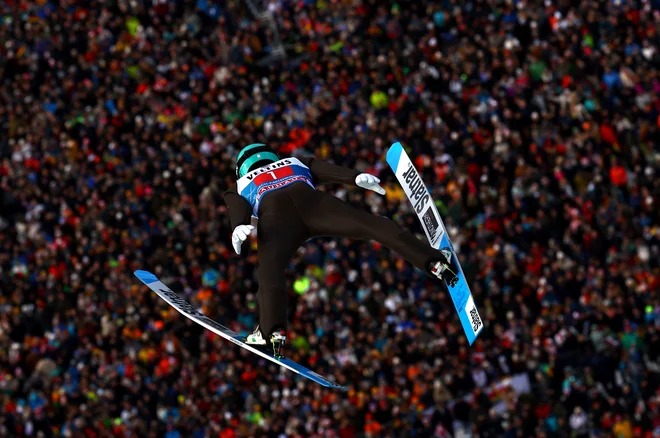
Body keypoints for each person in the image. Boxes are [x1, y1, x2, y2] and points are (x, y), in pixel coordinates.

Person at [223, 143, 456, 357]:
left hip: (276, 219)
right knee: (374, 225)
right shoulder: (294, 161)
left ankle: (271, 331)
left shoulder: (240, 184)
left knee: (269, 272)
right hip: (317, 205)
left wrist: (238, 227)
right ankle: (435, 263)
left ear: (242, 168)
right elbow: (328, 170)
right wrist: (355, 178)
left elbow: (237, 206)